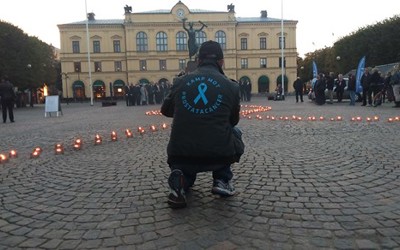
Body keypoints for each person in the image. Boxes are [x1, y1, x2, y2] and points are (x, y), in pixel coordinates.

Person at [161, 40, 244, 208]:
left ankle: (181, 180)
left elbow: (166, 111)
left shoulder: (180, 82)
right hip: (219, 153)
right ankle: (221, 179)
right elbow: (233, 121)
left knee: (185, 164)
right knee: (236, 131)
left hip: (181, 153)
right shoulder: (231, 86)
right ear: (221, 62)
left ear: (198, 60)